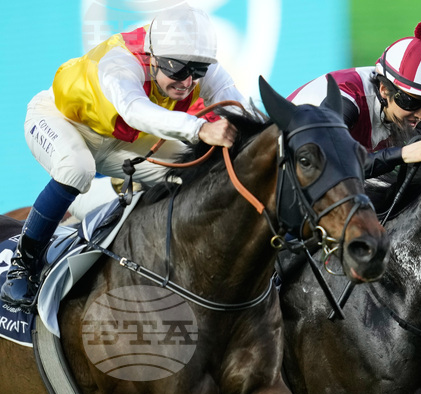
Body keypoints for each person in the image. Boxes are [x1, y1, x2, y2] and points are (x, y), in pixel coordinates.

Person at [1, 3, 247, 310]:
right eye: (177, 70)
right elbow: (135, 110)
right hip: (61, 122)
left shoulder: (197, 66)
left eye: (196, 72)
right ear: (153, 57)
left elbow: (237, 108)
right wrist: (199, 129)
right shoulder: (121, 60)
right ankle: (22, 266)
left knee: (191, 173)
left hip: (119, 140)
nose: (186, 82)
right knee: (78, 170)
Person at [289, 21, 421, 179]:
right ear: (384, 89)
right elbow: (333, 165)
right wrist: (403, 154)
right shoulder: (347, 102)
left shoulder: (409, 110)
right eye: (411, 102)